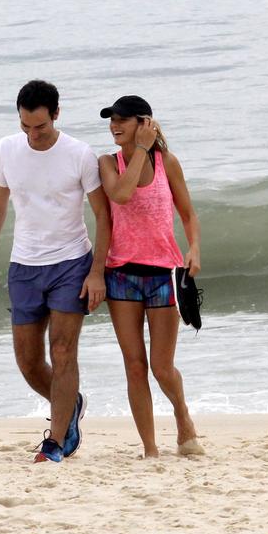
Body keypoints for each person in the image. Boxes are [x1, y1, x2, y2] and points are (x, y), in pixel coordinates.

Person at [0, 80, 110, 463]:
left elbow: (103, 215)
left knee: (63, 351)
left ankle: (56, 440)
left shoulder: (79, 154)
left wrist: (96, 272)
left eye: (41, 127)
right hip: (24, 265)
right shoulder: (6, 150)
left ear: (56, 114)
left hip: (71, 262)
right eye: (25, 127)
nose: (33, 135)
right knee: (28, 361)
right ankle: (71, 402)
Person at [98, 95, 205, 458]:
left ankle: (182, 415)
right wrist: (140, 150)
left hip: (163, 273)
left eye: (123, 120)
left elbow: (188, 214)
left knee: (161, 367)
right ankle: (150, 449)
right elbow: (122, 195)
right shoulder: (107, 163)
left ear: (145, 123)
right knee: (134, 365)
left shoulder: (168, 163)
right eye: (112, 119)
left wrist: (194, 249)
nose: (114, 125)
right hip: (121, 275)